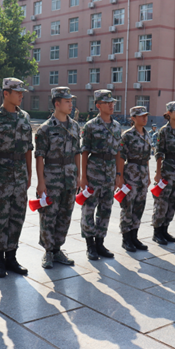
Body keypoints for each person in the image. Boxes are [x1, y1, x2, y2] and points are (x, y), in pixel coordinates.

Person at [0, 78, 33, 278]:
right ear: (6, 93)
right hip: (1, 173)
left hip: (20, 173)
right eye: (17, 92)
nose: (21, 95)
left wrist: (30, 174)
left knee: (17, 216)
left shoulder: (25, 117)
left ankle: (12, 257)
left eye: (22, 92)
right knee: (0, 217)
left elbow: (29, 148)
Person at [34, 87, 81, 269]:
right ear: (57, 104)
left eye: (71, 101)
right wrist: (41, 183)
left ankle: (57, 249)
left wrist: (79, 175)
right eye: (67, 101)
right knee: (48, 216)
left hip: (70, 178)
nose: (71, 104)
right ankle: (48, 251)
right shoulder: (45, 129)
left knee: (65, 215)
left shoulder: (75, 126)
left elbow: (77, 152)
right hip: (52, 178)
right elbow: (39, 156)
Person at [80, 90, 122, 260]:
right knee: (89, 209)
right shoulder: (90, 126)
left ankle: (100, 243)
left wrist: (119, 174)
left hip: (110, 172)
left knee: (106, 209)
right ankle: (90, 245)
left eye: (113, 102)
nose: (111, 105)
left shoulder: (117, 126)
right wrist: (83, 177)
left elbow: (119, 152)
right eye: (107, 103)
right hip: (93, 172)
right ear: (98, 105)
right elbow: (84, 152)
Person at [152, 101, 175, 245]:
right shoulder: (164, 131)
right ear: (169, 114)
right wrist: (158, 173)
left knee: (172, 202)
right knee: (162, 202)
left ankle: (165, 230)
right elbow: (159, 152)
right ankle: (157, 232)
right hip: (167, 170)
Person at [118, 106, 151, 251]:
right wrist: (119, 176)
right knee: (128, 207)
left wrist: (149, 175)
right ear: (133, 118)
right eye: (141, 116)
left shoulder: (147, 134)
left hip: (143, 175)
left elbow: (148, 158)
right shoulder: (127, 135)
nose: (144, 118)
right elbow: (121, 157)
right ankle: (126, 239)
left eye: (146, 116)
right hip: (130, 174)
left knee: (139, 206)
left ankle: (134, 236)